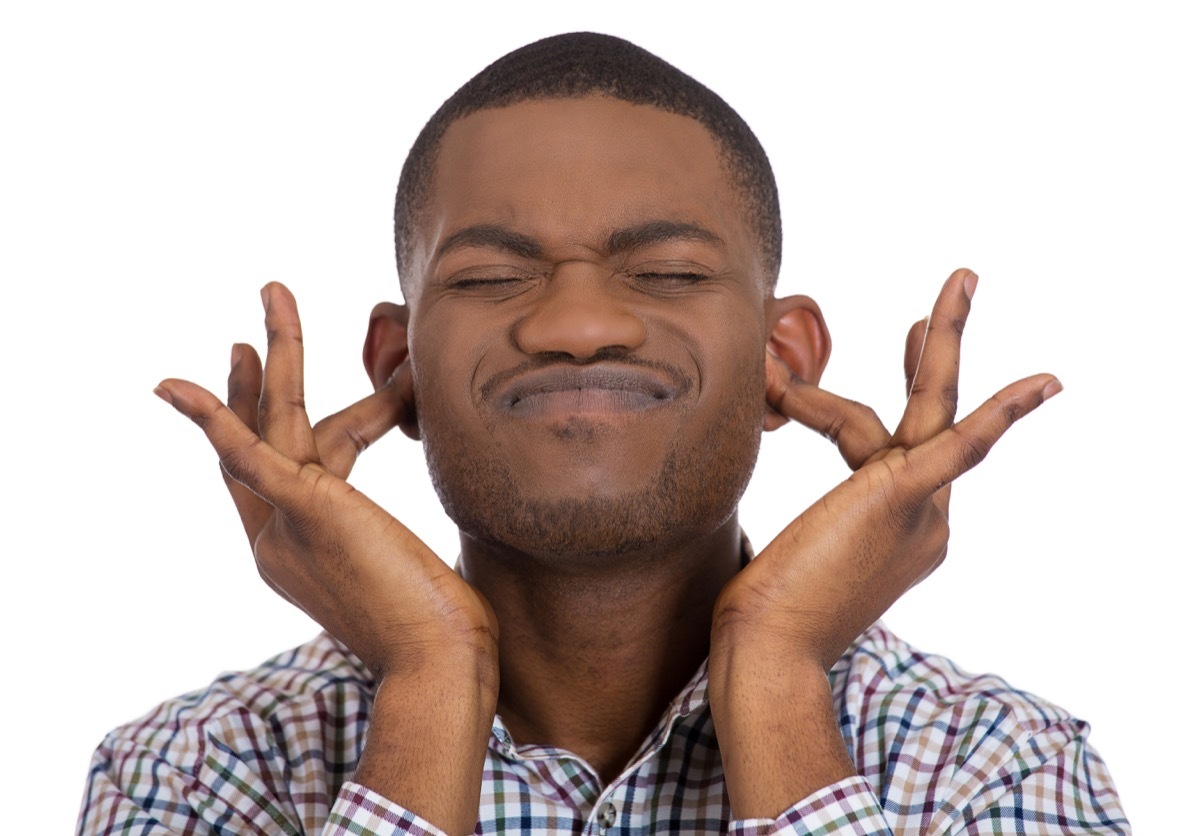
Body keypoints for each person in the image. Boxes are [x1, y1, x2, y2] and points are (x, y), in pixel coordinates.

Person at [77, 32, 1127, 835]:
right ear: (397, 364)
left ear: (784, 356)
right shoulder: (191, 765)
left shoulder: (1005, 759)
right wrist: (429, 677)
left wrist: (774, 672)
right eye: (491, 277)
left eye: (666, 272)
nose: (577, 325)